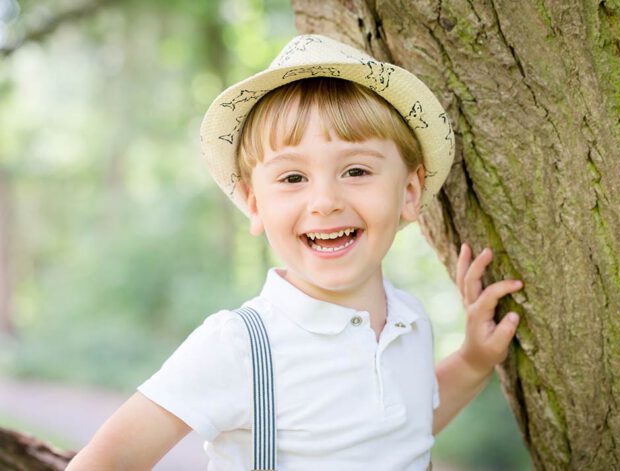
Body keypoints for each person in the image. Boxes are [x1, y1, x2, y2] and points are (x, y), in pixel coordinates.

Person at [66, 34, 523, 471]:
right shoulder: (240, 345)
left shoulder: (410, 321)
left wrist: (473, 360)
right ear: (254, 203)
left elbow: (403, 432)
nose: (325, 200)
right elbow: (111, 460)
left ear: (408, 192)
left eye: (357, 170)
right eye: (292, 178)